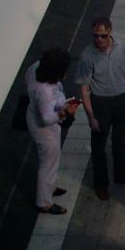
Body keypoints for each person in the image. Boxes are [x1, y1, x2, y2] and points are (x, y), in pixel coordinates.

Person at [76, 17, 125, 200]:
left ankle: (123, 175)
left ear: (110, 33)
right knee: (99, 146)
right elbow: (84, 89)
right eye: (96, 36)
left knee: (120, 141)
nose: (99, 40)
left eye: (103, 36)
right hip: (100, 102)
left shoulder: (123, 49)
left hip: (120, 99)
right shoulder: (87, 56)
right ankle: (101, 184)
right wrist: (91, 116)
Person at [25, 48, 78, 214]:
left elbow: (26, 80)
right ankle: (44, 202)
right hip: (44, 128)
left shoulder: (35, 68)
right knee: (48, 162)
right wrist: (64, 112)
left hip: (36, 116)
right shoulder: (45, 92)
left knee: (52, 159)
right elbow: (47, 118)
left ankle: (50, 187)